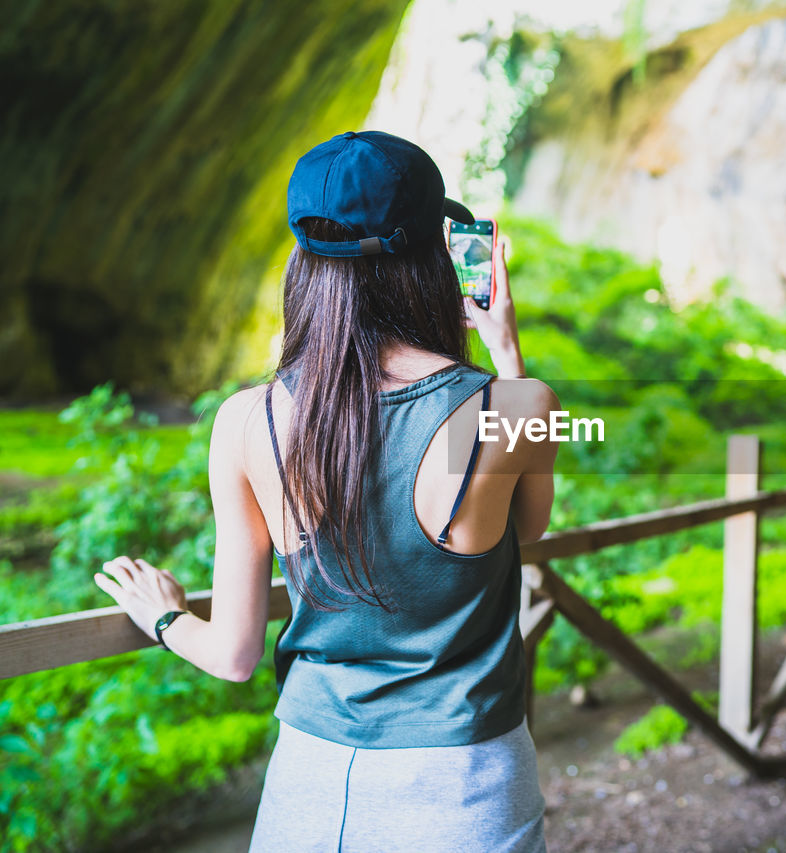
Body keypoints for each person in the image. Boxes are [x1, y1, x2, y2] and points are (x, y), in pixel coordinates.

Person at [92, 130, 558, 852]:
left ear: (304, 261)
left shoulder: (247, 421)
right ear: (437, 257)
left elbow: (234, 656)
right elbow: (532, 526)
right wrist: (506, 348)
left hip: (312, 784)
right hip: (467, 782)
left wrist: (161, 616)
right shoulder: (514, 409)